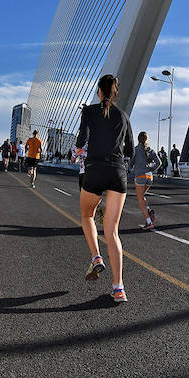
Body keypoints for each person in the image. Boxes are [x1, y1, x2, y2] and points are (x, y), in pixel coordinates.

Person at [74, 74, 134, 303]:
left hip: (95, 170)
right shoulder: (124, 116)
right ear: (115, 92)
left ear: (99, 90)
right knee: (112, 231)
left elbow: (81, 141)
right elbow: (128, 150)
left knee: (87, 214)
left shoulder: (88, 111)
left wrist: (82, 149)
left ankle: (96, 257)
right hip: (117, 173)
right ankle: (119, 288)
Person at [131, 132, 159, 230]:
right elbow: (158, 163)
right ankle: (149, 209)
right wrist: (150, 169)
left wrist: (131, 170)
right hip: (149, 177)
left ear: (138, 139)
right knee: (142, 197)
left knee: (140, 199)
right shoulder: (150, 150)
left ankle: (149, 222)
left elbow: (131, 163)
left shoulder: (135, 149)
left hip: (140, 176)